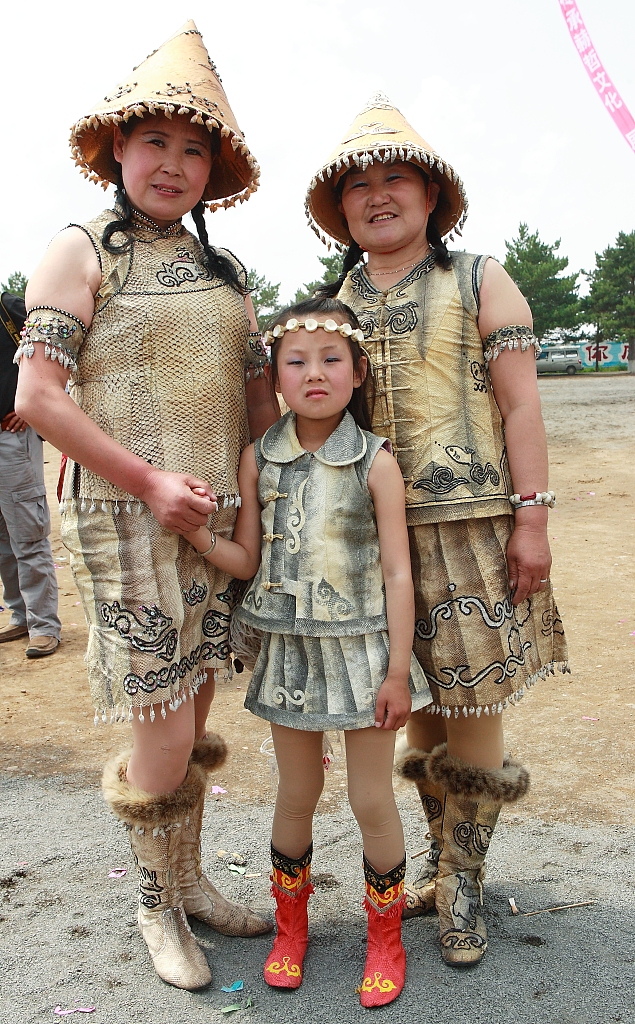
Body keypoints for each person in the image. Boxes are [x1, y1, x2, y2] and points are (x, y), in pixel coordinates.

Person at [15, 22, 279, 991]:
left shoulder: (227, 276)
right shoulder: (78, 251)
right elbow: (39, 399)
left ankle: (191, 877)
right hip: (125, 524)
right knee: (161, 727)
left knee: (199, 702)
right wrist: (151, 483)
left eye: (193, 147)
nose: (173, 164)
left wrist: (267, 502)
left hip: (213, 525)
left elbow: (258, 407)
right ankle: (152, 903)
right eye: (154, 142)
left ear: (214, 166)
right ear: (117, 149)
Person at [304, 93, 568, 967]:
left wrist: (530, 517)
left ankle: (465, 888)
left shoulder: (478, 277)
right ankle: (431, 864)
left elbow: (521, 403)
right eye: (359, 186)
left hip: (472, 529)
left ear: (430, 197)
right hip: (367, 541)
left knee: (473, 706)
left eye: (396, 180)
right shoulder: (327, 305)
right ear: (339, 210)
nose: (377, 196)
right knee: (409, 705)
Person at [183, 296, 431, 1007]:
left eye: (331, 360)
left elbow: (396, 571)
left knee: (369, 798)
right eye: (296, 361)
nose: (313, 374)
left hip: (362, 656)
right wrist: (201, 536)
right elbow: (247, 559)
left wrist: (393, 671)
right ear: (276, 375)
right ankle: (290, 930)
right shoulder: (258, 459)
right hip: (287, 652)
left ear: (357, 371)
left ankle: (383, 938)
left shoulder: (374, 461)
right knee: (297, 793)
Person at [0, 291, 61, 657]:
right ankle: (20, 616)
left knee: (27, 533)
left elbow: (52, 347)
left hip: (12, 436)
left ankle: (43, 625)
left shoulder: (11, 308)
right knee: (2, 539)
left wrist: (32, 404)